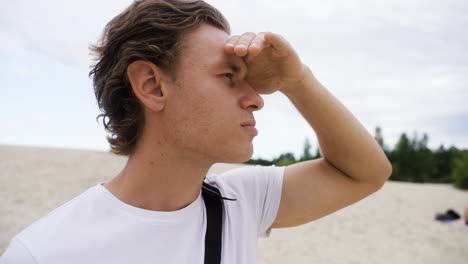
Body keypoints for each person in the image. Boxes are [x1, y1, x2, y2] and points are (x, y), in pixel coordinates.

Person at [0, 0, 392, 263]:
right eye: (228, 77)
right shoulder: (45, 253)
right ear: (152, 86)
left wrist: (298, 80)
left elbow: (366, 173)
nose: (256, 99)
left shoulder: (240, 202)